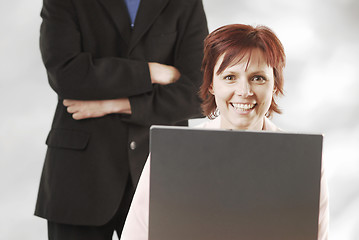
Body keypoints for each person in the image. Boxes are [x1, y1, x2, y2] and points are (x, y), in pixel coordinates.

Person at [119, 24, 329, 240]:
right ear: (211, 84)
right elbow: (136, 234)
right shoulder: (171, 152)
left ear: (274, 85)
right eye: (230, 77)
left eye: (258, 78)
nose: (244, 92)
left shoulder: (303, 160)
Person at [34, 0, 208, 239]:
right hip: (80, 175)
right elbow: (66, 75)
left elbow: (199, 93)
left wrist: (115, 104)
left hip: (158, 173)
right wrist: (151, 72)